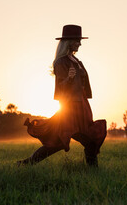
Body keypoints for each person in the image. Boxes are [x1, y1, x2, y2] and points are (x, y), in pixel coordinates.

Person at [17, 25, 107, 167]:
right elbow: (60, 87)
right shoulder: (60, 62)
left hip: (82, 105)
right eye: (77, 40)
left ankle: (94, 171)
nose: (80, 43)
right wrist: (69, 79)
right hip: (70, 107)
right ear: (69, 41)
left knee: (91, 138)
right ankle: (26, 164)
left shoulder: (77, 61)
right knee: (59, 140)